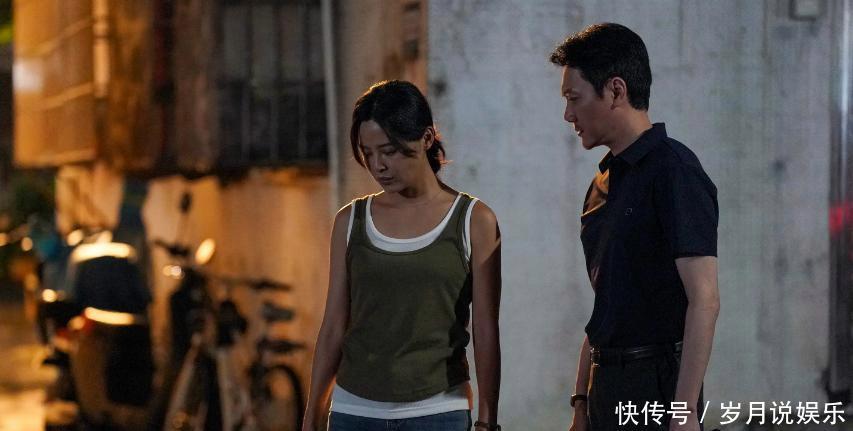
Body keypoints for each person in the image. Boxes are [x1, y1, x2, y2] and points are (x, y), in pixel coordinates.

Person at [302, 80, 502, 431]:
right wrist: (311, 417)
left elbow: (486, 331)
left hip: (439, 411)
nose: (378, 165)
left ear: (426, 138)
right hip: (355, 412)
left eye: (389, 151)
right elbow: (334, 326)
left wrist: (487, 420)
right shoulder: (351, 221)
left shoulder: (474, 220)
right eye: (368, 153)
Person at [549, 23, 720, 431]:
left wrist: (684, 412)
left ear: (615, 91)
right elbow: (607, 306)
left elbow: (705, 300)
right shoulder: (602, 183)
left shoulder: (674, 170)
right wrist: (580, 402)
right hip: (604, 386)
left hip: (655, 386)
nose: (568, 115)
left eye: (574, 98)